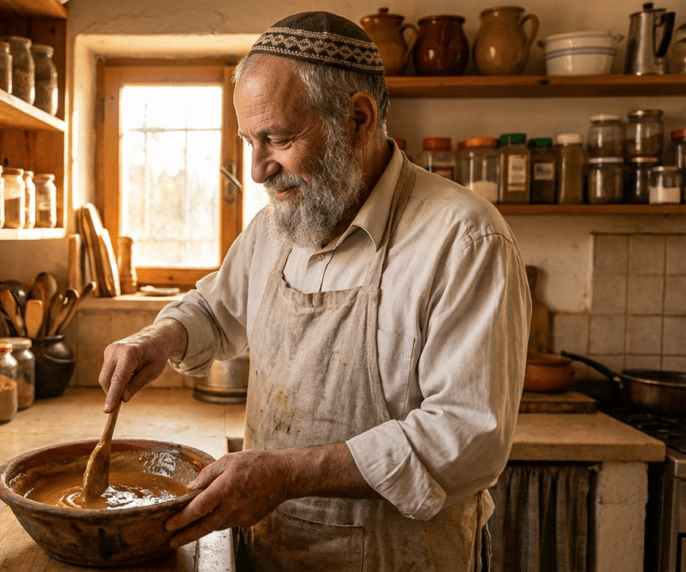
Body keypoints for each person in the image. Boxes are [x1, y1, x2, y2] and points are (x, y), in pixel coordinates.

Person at [97, 11, 531, 571]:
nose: (257, 170)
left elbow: (466, 436)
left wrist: (286, 474)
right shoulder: (281, 223)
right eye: (248, 140)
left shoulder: (465, 239)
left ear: (357, 118)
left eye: (277, 138)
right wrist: (161, 337)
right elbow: (216, 306)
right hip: (276, 553)